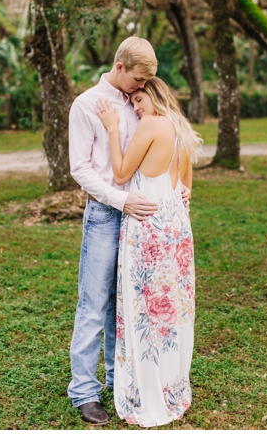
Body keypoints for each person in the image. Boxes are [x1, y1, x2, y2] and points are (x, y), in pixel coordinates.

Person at [94, 76, 203, 427]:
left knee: (144, 311)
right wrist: (183, 193)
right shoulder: (179, 128)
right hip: (177, 228)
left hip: (149, 228)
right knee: (173, 311)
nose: (136, 108)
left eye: (139, 99)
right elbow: (186, 185)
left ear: (154, 96)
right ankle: (173, 388)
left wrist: (112, 129)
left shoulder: (152, 124)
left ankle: (148, 394)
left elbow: (122, 172)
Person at [67, 36, 162, 425]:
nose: (141, 88)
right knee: (94, 304)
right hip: (106, 215)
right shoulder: (87, 104)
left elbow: (158, 145)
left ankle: (117, 380)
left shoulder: (137, 102)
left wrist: (177, 184)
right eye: (137, 79)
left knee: (124, 303)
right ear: (119, 67)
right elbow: (81, 169)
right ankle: (85, 392)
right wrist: (120, 201)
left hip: (139, 215)